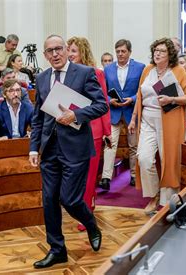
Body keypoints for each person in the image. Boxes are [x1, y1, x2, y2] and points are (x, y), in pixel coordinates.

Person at [29, 34, 107, 269]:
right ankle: (57, 249)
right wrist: (34, 148)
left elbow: (101, 105)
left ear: (65, 49)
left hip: (75, 147)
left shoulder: (83, 73)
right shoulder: (42, 78)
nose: (55, 54)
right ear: (45, 55)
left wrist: (76, 115)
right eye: (50, 51)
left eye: (58, 49)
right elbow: (38, 116)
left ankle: (91, 224)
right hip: (49, 149)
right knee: (49, 200)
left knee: (70, 199)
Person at [128, 38, 186, 214]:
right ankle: (154, 195)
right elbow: (139, 95)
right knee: (144, 158)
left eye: (162, 51)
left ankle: (167, 201)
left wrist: (172, 99)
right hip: (147, 119)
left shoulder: (178, 70)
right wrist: (133, 118)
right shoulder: (148, 70)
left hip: (169, 118)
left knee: (168, 159)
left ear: (170, 54)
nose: (157, 53)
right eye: (156, 50)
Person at [67, 36, 111, 231]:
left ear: (82, 52)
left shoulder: (96, 72)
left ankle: (86, 210)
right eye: (68, 51)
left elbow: (103, 104)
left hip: (92, 129)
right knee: (76, 173)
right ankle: (82, 204)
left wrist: (107, 131)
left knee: (90, 173)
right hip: (71, 128)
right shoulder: (65, 73)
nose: (69, 54)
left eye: (73, 51)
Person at [100, 39, 145, 190]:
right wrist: (109, 100)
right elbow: (102, 91)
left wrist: (131, 99)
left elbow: (142, 90)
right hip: (113, 111)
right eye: (118, 51)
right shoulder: (108, 69)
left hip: (131, 111)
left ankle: (133, 175)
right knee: (110, 144)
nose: (120, 54)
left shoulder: (140, 68)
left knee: (134, 145)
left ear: (129, 52)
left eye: (123, 51)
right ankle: (106, 178)